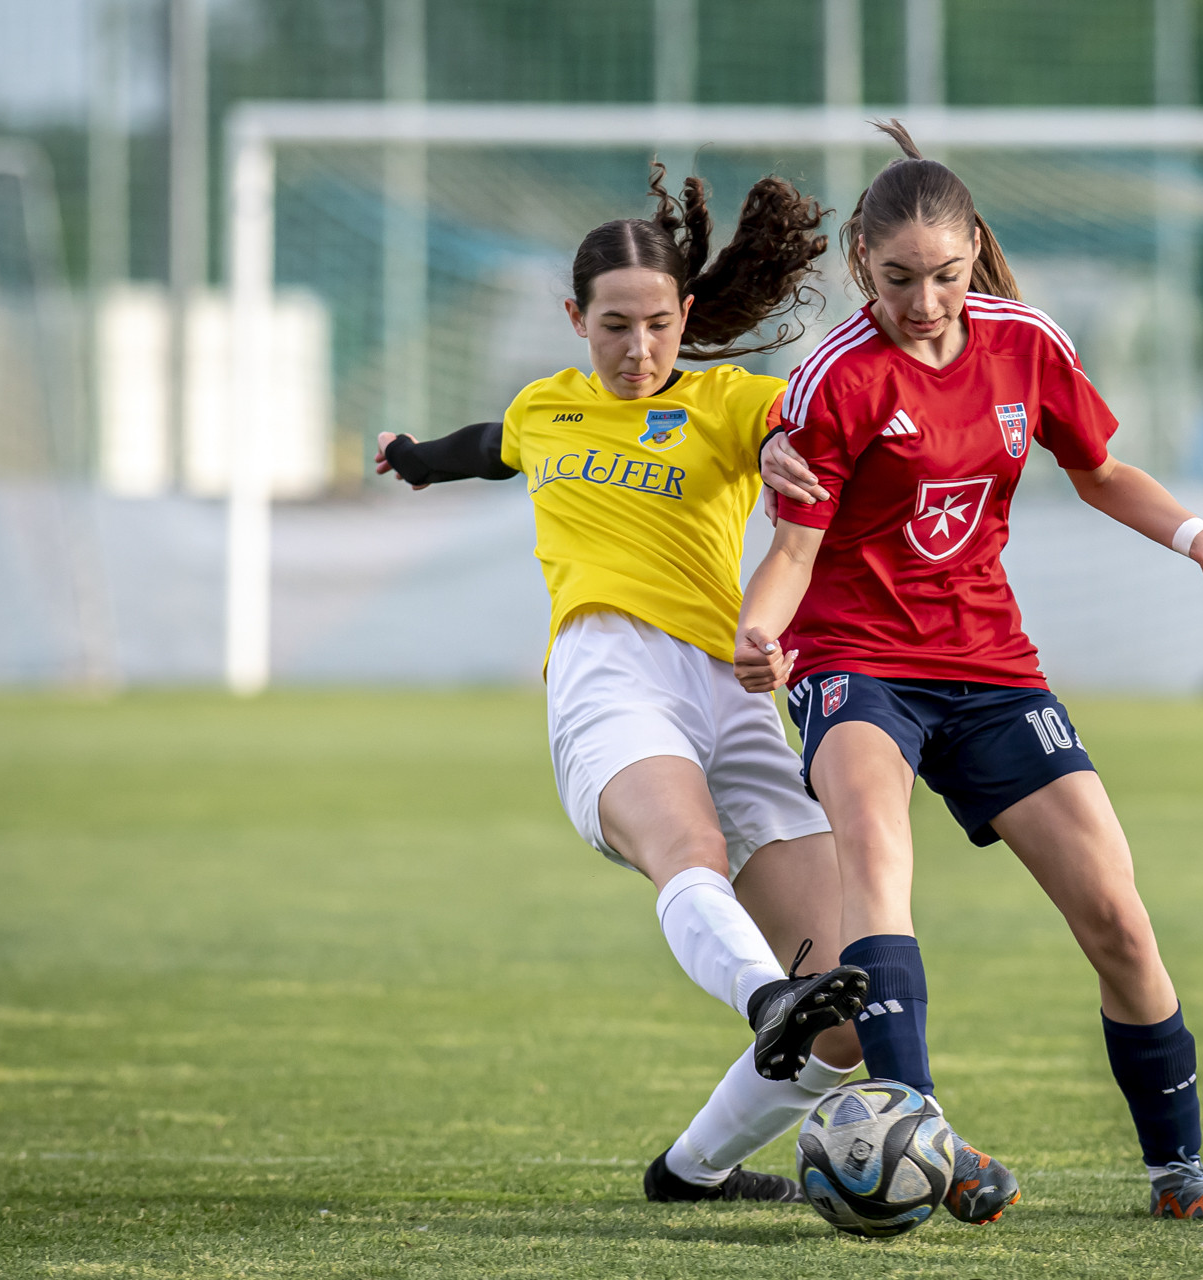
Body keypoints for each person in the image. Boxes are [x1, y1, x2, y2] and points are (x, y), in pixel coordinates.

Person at [736, 121, 1203, 1225]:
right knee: (875, 859)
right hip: (855, 659)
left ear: (975, 250)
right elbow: (795, 550)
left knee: (1117, 917)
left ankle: (1178, 1177)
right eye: (900, 278)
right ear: (862, 262)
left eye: (946, 274)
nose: (925, 300)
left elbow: (1100, 470)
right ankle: (921, 1135)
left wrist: (1198, 537)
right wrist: (759, 633)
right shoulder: (835, 378)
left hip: (990, 663)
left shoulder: (1026, 343)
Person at [376, 165, 869, 1204]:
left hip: (732, 686)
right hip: (610, 673)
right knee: (689, 850)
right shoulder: (545, 408)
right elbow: (489, 448)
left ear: (685, 314)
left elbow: (810, 427)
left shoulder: (730, 401)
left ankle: (694, 1170)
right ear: (575, 319)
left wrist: (791, 452)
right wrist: (414, 458)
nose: (638, 349)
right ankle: (764, 997)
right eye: (613, 326)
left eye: (656, 325)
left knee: (846, 1020)